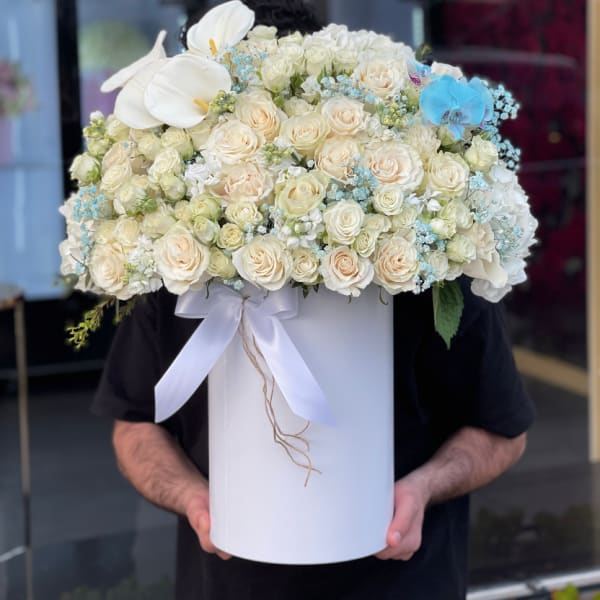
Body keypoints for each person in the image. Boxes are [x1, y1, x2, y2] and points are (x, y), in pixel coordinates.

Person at [92, 2, 535, 598]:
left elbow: (502, 429)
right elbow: (134, 425)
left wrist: (423, 488)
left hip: (401, 581)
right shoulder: (178, 258)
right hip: (229, 582)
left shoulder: (433, 260)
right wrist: (195, 500)